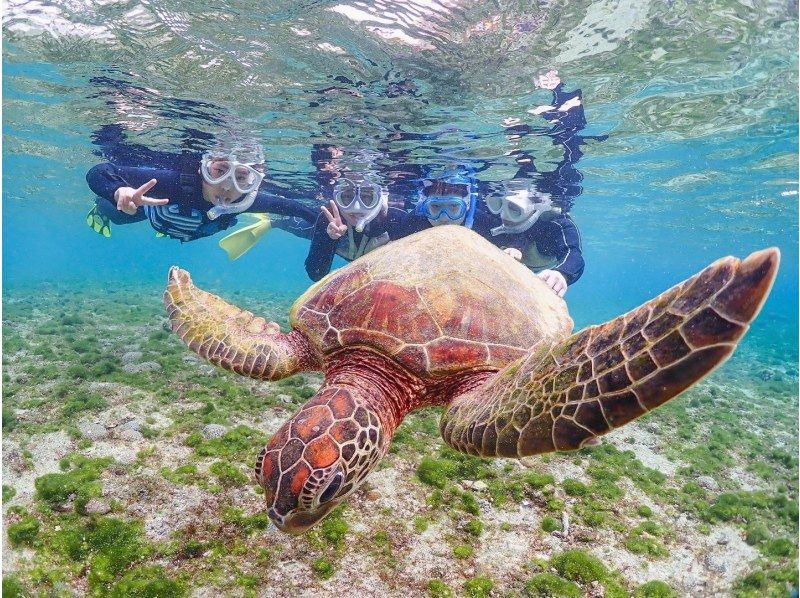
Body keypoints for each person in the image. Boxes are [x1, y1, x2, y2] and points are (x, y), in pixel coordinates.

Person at [488, 70, 603, 296]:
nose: (505, 215)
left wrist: (562, 274)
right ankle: (521, 134)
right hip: (535, 188)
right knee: (525, 163)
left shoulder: (555, 224)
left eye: (514, 209)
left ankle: (561, 94)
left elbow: (573, 254)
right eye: (502, 205)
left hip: (559, 183)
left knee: (569, 151)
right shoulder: (500, 220)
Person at [85, 136, 318, 244]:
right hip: (149, 212)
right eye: (219, 171)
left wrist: (329, 228)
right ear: (203, 169)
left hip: (188, 227)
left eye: (241, 177)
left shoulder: (247, 200)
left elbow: (300, 210)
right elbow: (99, 172)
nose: (227, 186)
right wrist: (118, 191)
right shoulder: (177, 183)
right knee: (119, 213)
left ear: (253, 181)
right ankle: (100, 208)